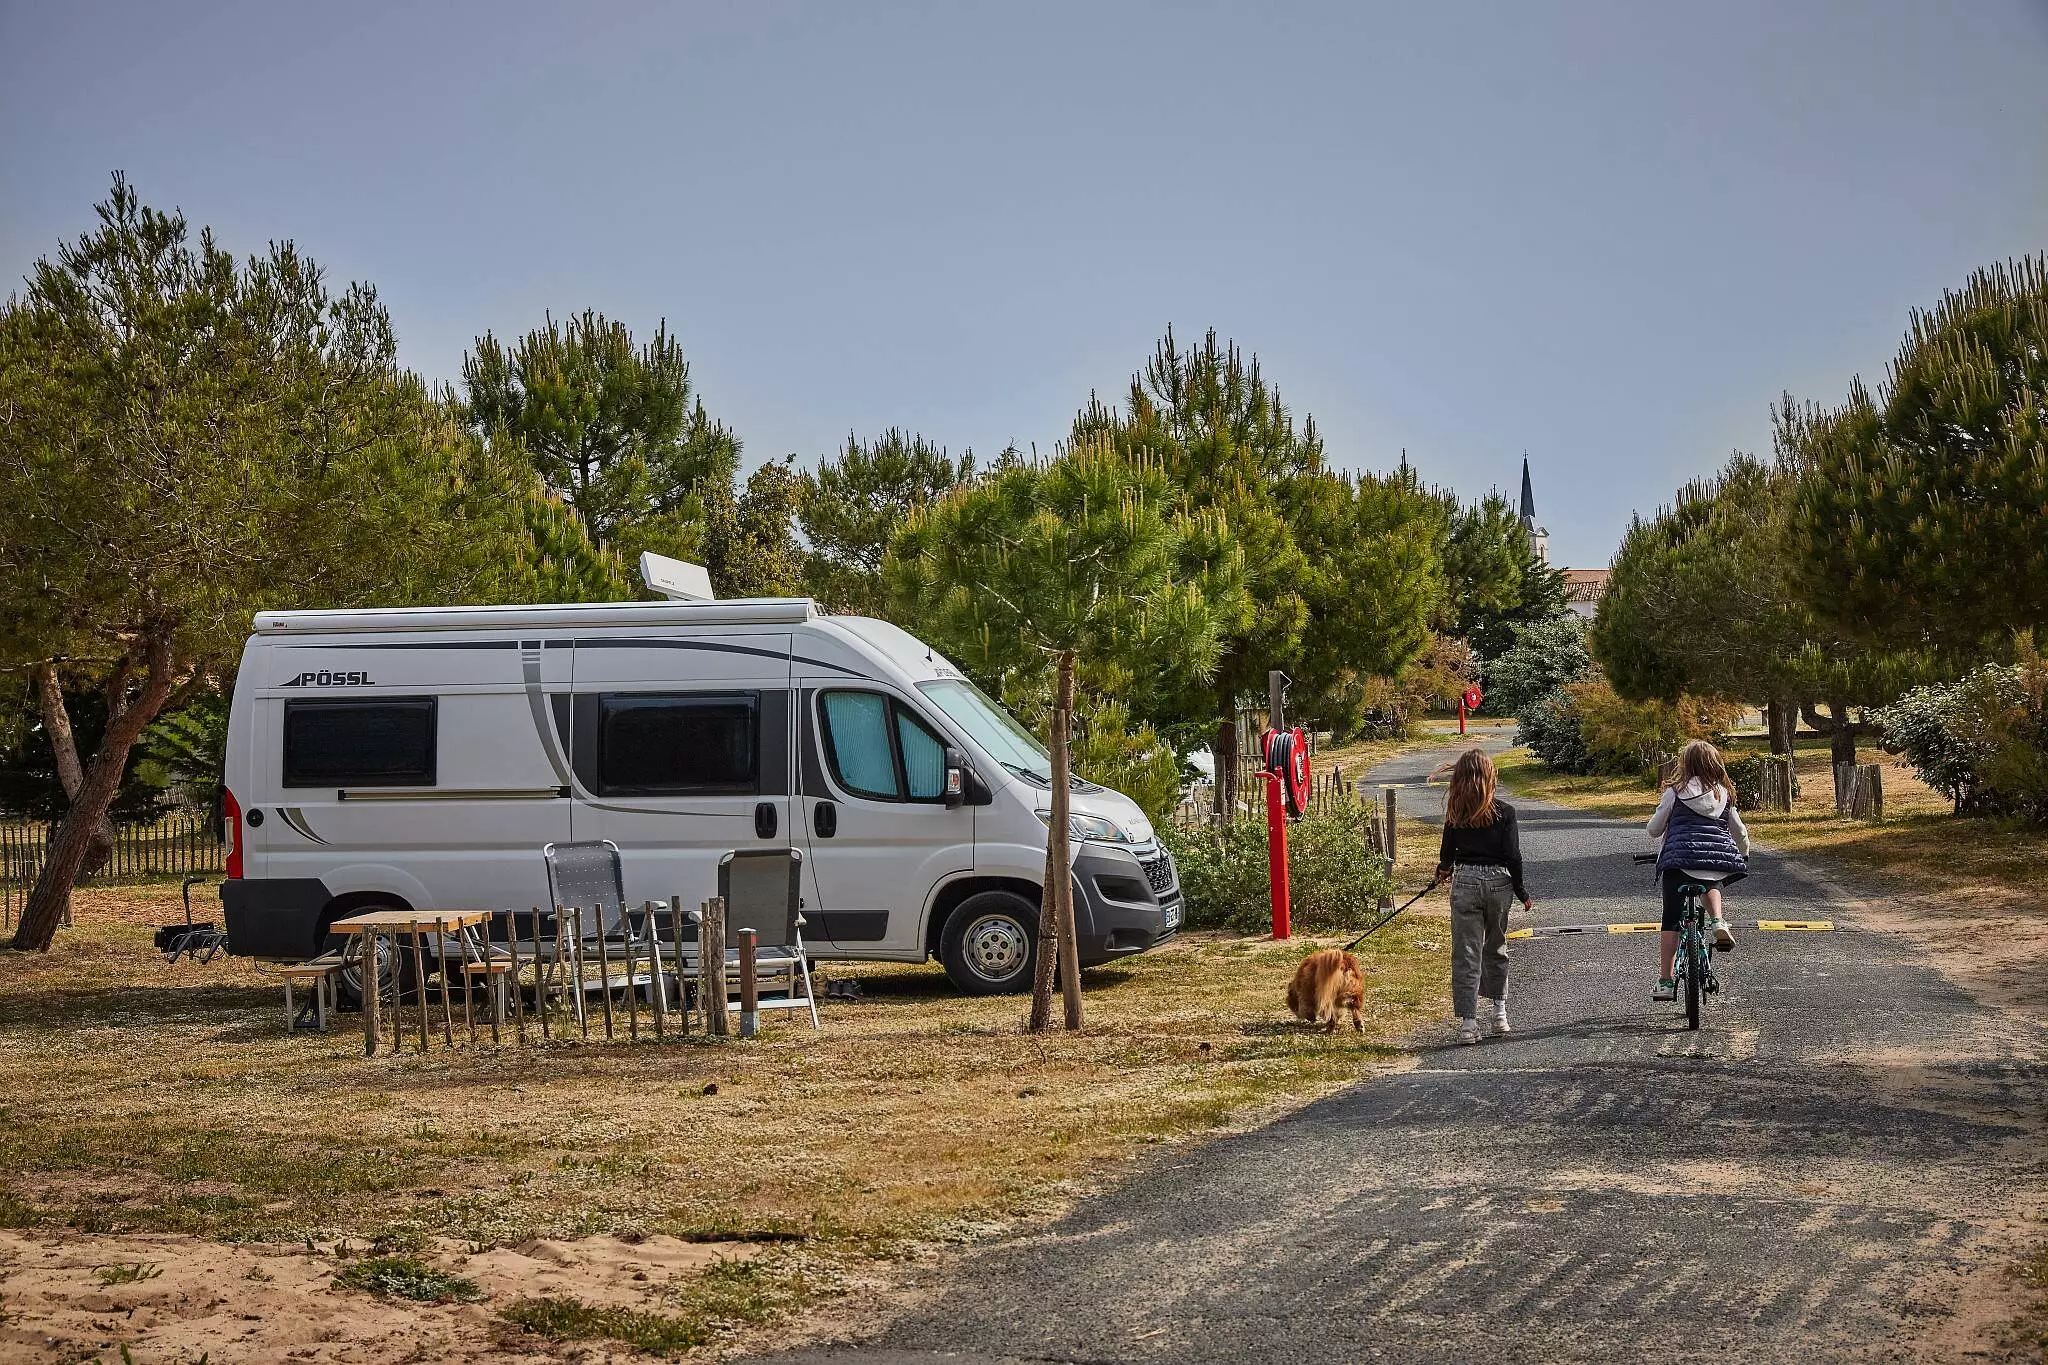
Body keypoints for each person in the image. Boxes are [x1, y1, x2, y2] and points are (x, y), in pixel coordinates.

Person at [1435, 748, 1532, 1044]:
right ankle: (1499, 1013)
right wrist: (1521, 891)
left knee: (1466, 952)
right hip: (1499, 883)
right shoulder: (1506, 812)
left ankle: (1468, 1023)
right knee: (1496, 947)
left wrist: (1443, 871)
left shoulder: (1456, 812)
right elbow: (1513, 856)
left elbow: (1446, 854)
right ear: (1490, 777)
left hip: (1465, 881)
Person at [1646, 739, 1750, 1001]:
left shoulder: (1676, 791)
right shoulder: (1723, 794)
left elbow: (1654, 829)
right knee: (1710, 880)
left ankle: (1666, 981)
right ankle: (1718, 921)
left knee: (1671, 918)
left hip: (1678, 862)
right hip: (1713, 861)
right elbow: (1740, 832)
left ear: (1686, 764)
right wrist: (1744, 853)